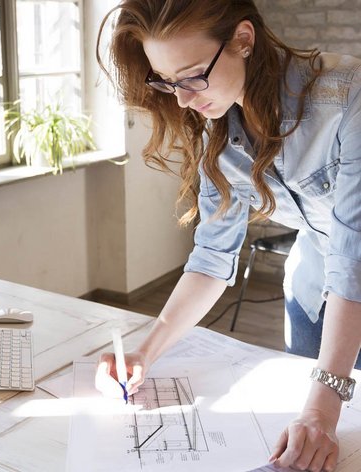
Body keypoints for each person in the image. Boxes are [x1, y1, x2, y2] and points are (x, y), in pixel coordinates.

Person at [94, 1, 361, 471]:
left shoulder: (349, 98)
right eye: (167, 80)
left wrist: (322, 407)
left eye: (193, 75)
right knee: (308, 450)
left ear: (243, 39)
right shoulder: (221, 131)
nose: (181, 99)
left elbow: (355, 257)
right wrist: (146, 351)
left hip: (350, 279)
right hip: (313, 287)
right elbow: (212, 259)